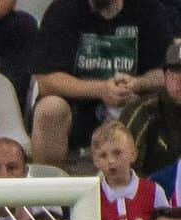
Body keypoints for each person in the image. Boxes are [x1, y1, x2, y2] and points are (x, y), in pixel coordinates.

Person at [30, 0, 170, 169]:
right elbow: (46, 80)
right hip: (77, 108)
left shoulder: (149, 9)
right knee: (50, 109)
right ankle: (50, 191)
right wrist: (101, 89)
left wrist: (138, 83)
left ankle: (140, 189)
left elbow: (165, 73)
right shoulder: (62, 9)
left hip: (132, 104)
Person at [121, 41, 181, 175]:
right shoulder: (142, 112)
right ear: (165, 77)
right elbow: (124, 168)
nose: (179, 80)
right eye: (174, 73)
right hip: (152, 191)